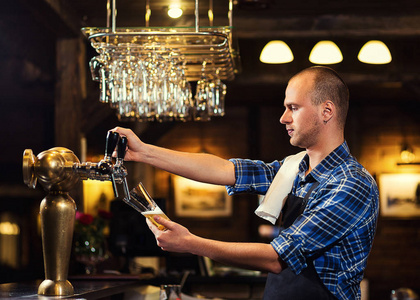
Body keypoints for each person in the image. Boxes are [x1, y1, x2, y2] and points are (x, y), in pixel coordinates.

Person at [111, 66, 379, 300]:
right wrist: (143, 152)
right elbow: (226, 169)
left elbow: (277, 258)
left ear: (327, 111)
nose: (283, 117)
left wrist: (190, 243)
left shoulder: (351, 183)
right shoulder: (294, 169)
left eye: (293, 108)